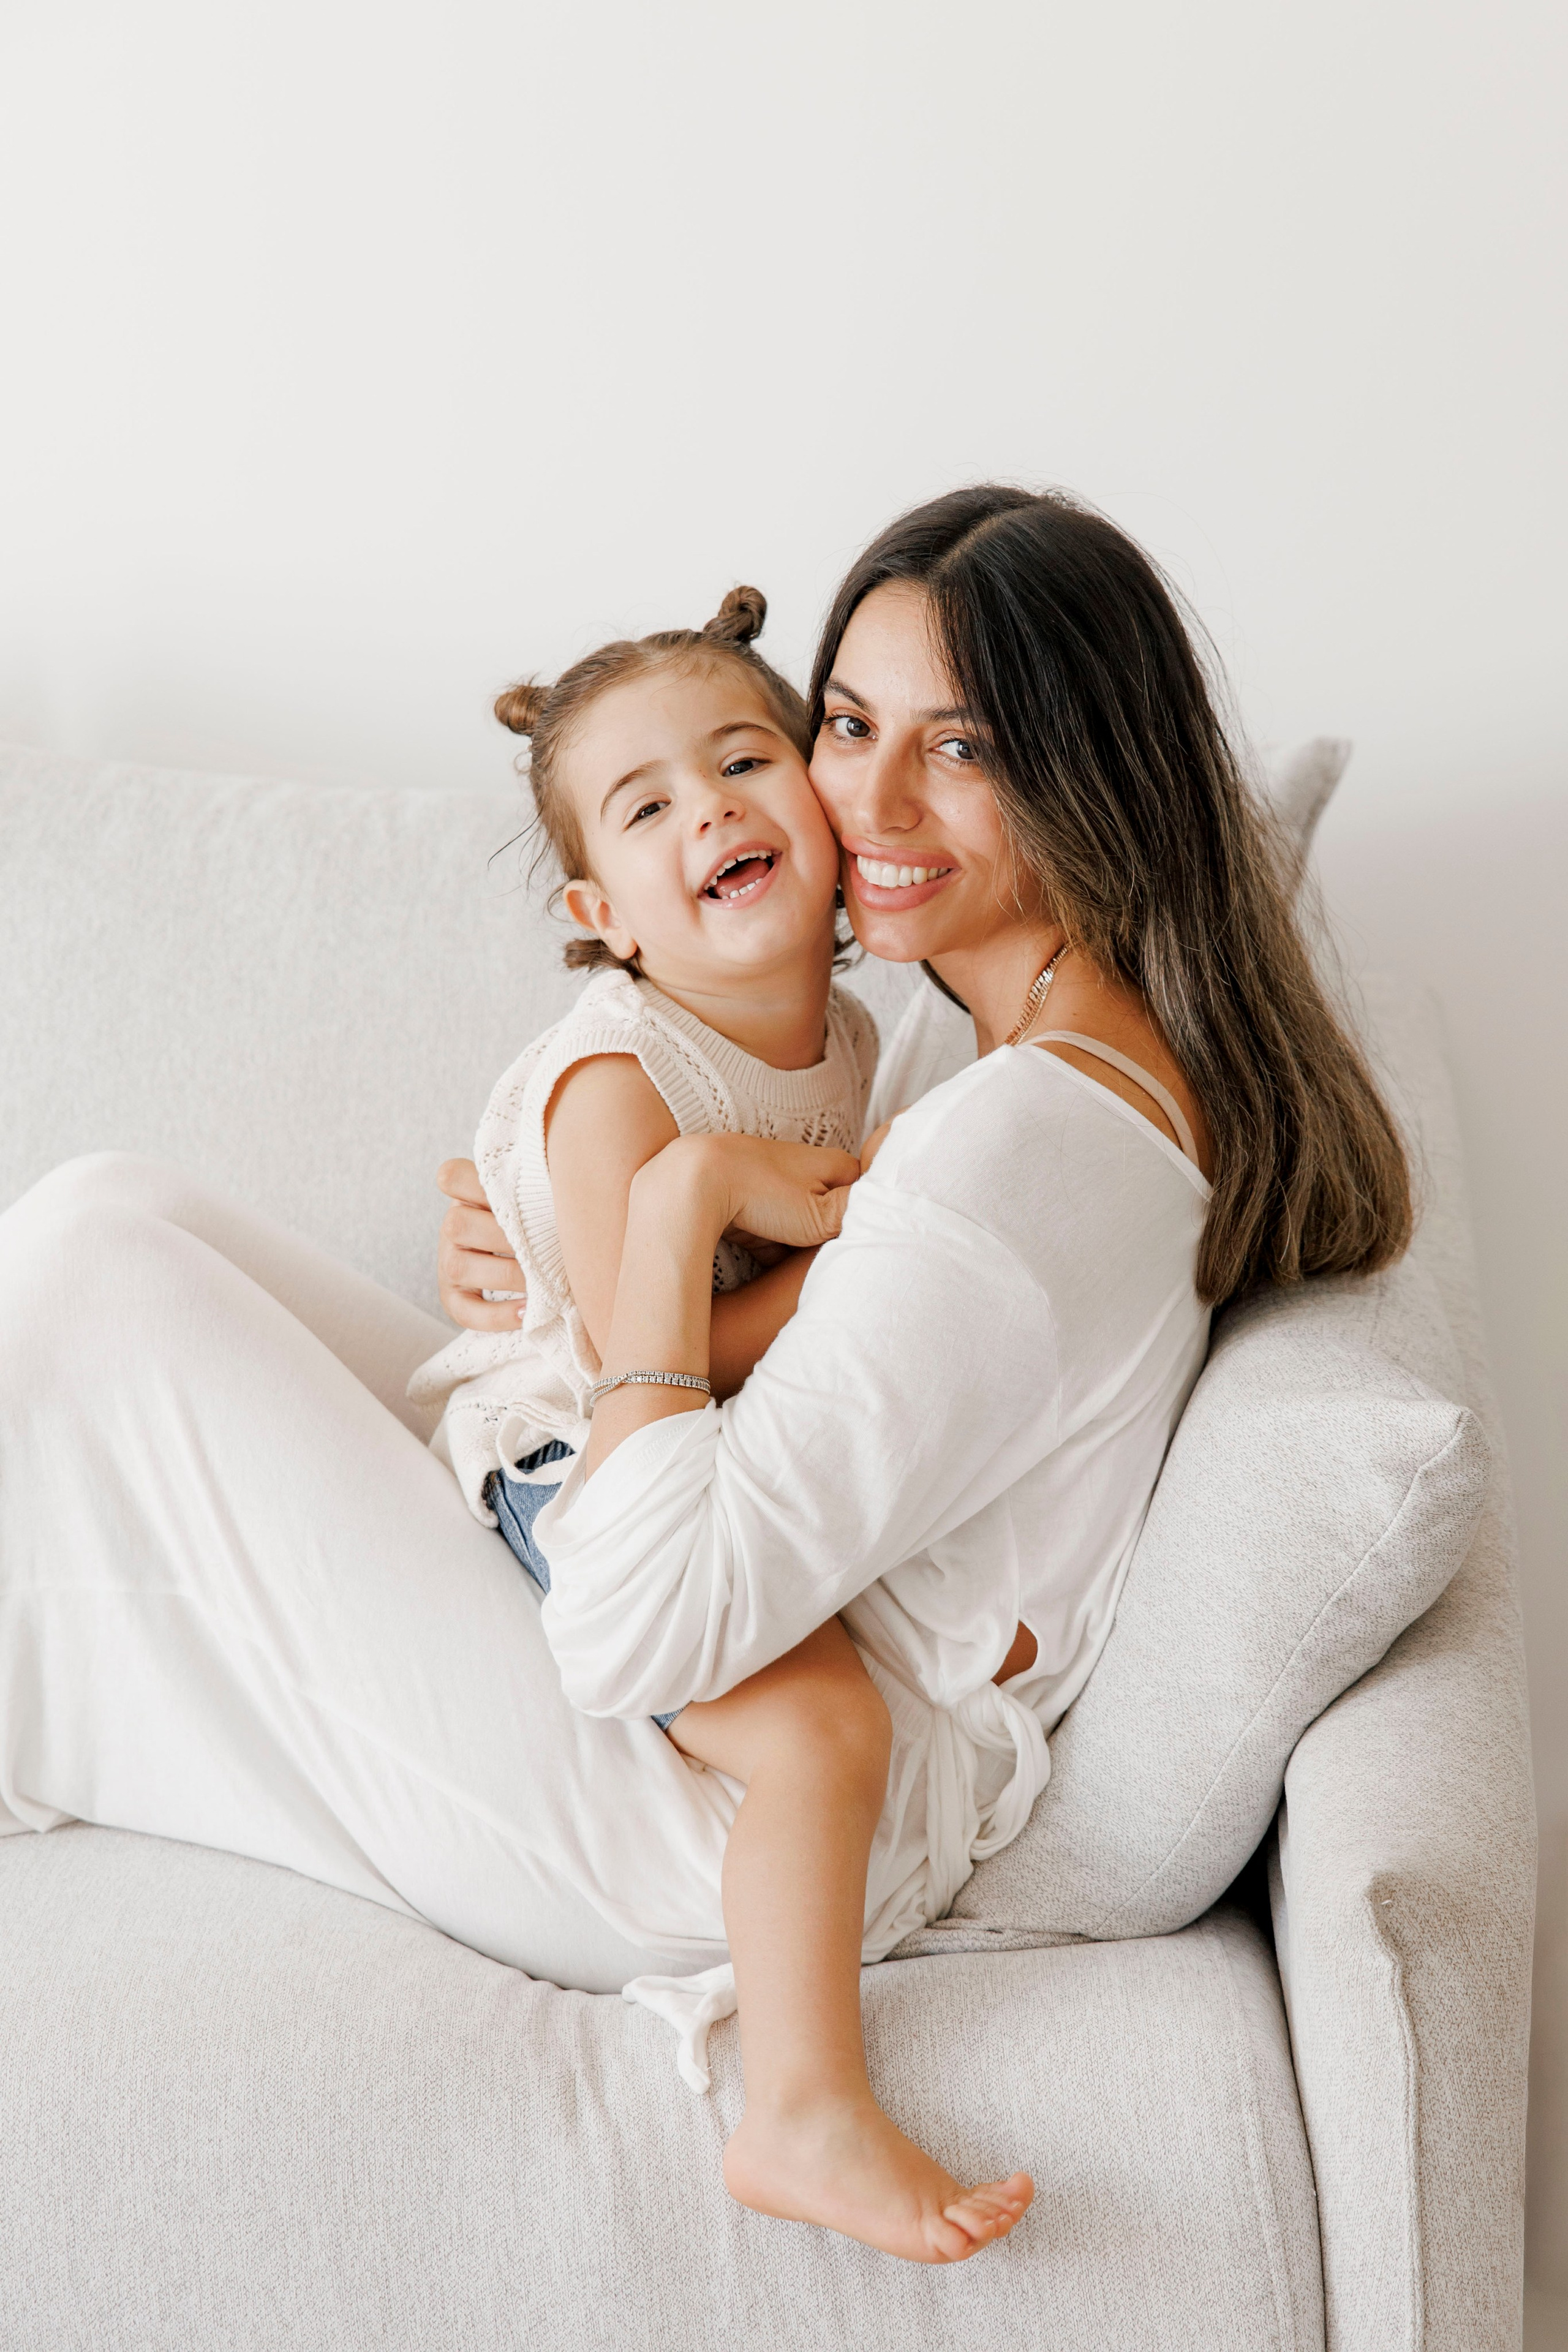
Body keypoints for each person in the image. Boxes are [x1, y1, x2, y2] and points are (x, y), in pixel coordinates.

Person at [0, 486, 1411, 2269]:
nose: (871, 805)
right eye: (850, 726)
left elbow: (636, 1629)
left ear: (1093, 775)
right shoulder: (986, 1057)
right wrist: (566, 1274)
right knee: (124, 1218)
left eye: (960, 748)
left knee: (88, 1275)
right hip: (710, 1639)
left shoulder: (1007, 1161)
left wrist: (665, 1237)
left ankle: (799, 2107)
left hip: (708, 1795)